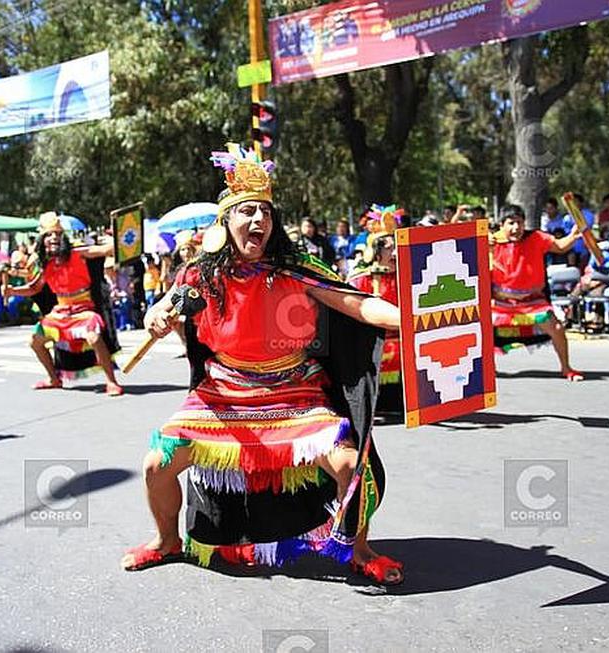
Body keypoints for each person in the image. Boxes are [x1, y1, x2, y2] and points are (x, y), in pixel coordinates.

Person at [122, 144, 403, 585]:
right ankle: (167, 541)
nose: (259, 221)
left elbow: (359, 305)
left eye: (266, 213)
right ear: (225, 223)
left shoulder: (297, 269)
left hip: (294, 390)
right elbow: (163, 308)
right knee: (156, 463)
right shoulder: (200, 274)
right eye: (248, 212)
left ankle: (359, 549)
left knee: (349, 463)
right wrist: (155, 316)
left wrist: (416, 320)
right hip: (223, 395)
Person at [6, 212, 124, 395]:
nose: (53, 238)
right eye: (49, 235)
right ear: (42, 239)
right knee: (35, 341)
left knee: (93, 336)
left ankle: (111, 381)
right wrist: (13, 291)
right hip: (60, 311)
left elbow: (104, 250)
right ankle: (54, 378)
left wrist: (122, 237)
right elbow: (34, 288)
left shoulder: (78, 252)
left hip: (83, 309)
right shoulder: (43, 263)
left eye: (57, 234)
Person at [491, 205, 584, 381]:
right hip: (500, 305)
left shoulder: (536, 237)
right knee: (481, 330)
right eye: (511, 223)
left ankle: (566, 368)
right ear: (501, 225)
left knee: (556, 328)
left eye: (519, 222)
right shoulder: (490, 242)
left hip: (533, 303)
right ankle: (489, 370)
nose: (516, 228)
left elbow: (560, 246)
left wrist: (573, 236)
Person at [346, 205, 403, 410]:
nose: (396, 252)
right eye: (389, 247)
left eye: (398, 246)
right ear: (376, 251)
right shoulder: (360, 279)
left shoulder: (409, 276)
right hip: (375, 343)